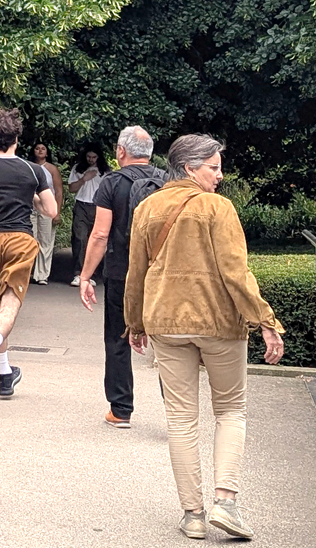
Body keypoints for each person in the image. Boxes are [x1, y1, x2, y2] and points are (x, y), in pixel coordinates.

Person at [124, 133, 285, 541]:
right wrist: (265, 319)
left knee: (180, 419)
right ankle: (225, 503)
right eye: (214, 167)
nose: (220, 174)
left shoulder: (147, 207)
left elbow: (135, 274)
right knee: (231, 409)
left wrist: (135, 323)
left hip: (165, 322)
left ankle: (193, 514)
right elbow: (236, 273)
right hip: (218, 323)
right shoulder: (218, 208)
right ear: (191, 168)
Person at [79, 125, 167, 427]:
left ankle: (120, 410)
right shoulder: (168, 182)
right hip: (161, 273)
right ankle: (178, 413)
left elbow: (100, 234)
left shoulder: (112, 183)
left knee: (117, 338)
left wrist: (86, 276)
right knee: (168, 344)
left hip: (122, 273)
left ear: (121, 151)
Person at [0, 108, 58, 398]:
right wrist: (29, 195)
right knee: (11, 304)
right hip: (20, 239)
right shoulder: (34, 171)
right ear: (17, 137)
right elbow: (51, 210)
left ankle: (6, 375)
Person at [67, 143, 108, 286]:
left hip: (98, 207)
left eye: (94, 157)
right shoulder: (78, 169)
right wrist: (84, 178)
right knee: (79, 238)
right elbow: (71, 188)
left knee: (95, 240)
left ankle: (90, 274)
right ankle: (78, 273)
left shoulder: (105, 171)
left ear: (99, 157)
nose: (91, 159)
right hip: (81, 205)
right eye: (89, 157)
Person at [29, 141, 63, 285]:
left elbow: (59, 191)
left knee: (45, 241)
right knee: (30, 240)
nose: (40, 151)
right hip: (30, 208)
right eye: (37, 148)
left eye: (43, 148)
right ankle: (28, 272)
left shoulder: (52, 169)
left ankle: (42, 275)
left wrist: (57, 212)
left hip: (47, 208)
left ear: (47, 152)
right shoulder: (28, 167)